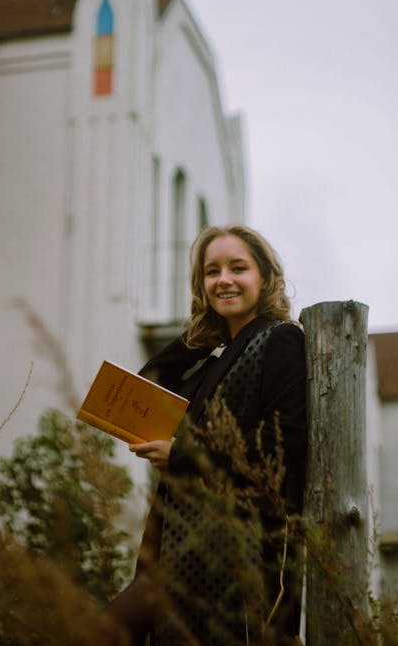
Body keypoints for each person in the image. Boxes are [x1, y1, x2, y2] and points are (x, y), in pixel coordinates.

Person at [105, 224, 307, 646]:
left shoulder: (280, 340)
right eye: (211, 272)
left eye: (238, 268)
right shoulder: (215, 358)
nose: (224, 280)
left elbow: (283, 451)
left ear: (265, 278)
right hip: (180, 550)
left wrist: (183, 456)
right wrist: (204, 332)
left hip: (239, 552)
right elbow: (146, 388)